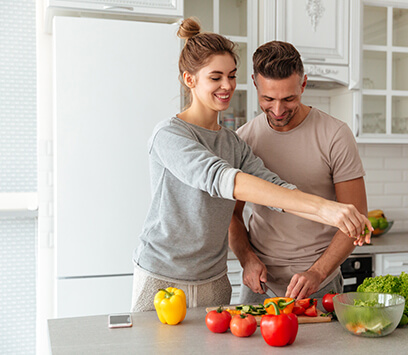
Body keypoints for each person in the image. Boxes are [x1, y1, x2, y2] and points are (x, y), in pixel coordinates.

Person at [131, 19, 371, 312]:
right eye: (215, 77)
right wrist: (325, 209)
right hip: (163, 275)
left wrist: (338, 214)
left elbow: (277, 190)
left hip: (213, 277)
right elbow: (220, 178)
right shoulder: (169, 135)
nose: (227, 86)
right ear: (190, 79)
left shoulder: (234, 143)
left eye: (231, 76)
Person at [229, 41, 370, 304]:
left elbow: (356, 216)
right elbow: (231, 217)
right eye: (268, 99)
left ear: (303, 84)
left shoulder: (335, 135)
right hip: (259, 285)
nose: (278, 110)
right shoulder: (244, 139)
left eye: (289, 99)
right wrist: (247, 259)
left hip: (320, 284)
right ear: (255, 84)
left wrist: (317, 272)